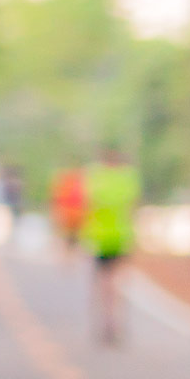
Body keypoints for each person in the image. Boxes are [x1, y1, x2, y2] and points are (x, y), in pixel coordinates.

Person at [82, 146, 142, 346]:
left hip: (100, 238)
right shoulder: (127, 178)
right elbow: (133, 206)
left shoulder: (95, 178)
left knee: (103, 283)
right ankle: (116, 322)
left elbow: (87, 206)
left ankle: (107, 320)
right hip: (122, 237)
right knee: (118, 283)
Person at [50, 164, 86, 257]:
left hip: (76, 218)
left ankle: (69, 255)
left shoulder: (80, 183)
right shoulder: (66, 183)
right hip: (69, 217)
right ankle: (67, 255)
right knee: (67, 239)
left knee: (73, 239)